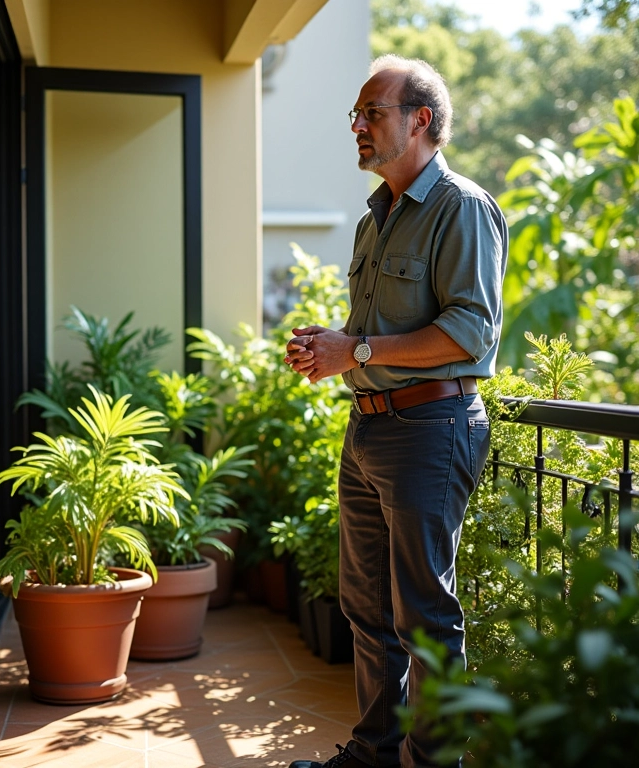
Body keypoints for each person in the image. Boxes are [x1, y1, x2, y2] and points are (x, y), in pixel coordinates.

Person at [283, 55, 508, 768]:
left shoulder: (462, 208)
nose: (357, 126)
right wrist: (334, 347)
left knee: (425, 619)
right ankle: (373, 755)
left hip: (431, 429)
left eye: (370, 113)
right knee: (365, 611)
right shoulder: (373, 221)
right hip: (370, 428)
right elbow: (372, 341)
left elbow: (471, 332)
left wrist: (360, 349)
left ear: (420, 121)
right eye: (355, 114)